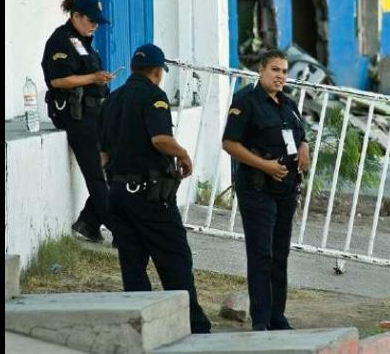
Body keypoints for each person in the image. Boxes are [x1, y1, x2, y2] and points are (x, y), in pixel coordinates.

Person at [97, 43, 212, 334]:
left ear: (134, 68)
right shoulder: (154, 96)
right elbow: (160, 139)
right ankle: (192, 325)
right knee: (174, 258)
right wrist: (184, 154)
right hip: (149, 195)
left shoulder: (112, 100)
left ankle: (142, 328)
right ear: (158, 72)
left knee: (132, 264)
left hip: (119, 195)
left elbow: (103, 156)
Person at [222, 48, 310, 331]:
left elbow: (301, 134)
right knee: (261, 254)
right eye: (275, 70)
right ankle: (261, 319)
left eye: (284, 71)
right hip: (257, 189)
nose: (280, 76)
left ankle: (277, 316)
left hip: (285, 189)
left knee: (280, 255)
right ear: (261, 70)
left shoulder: (288, 104)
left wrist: (304, 148)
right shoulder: (246, 101)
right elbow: (230, 144)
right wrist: (264, 165)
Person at [41, 0, 114, 242]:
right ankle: (122, 232)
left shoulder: (83, 42)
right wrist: (93, 78)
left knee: (112, 167)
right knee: (96, 174)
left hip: (94, 114)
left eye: (97, 22)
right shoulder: (60, 41)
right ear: (75, 16)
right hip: (74, 115)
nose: (94, 25)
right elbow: (58, 80)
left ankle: (88, 223)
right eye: (90, 20)